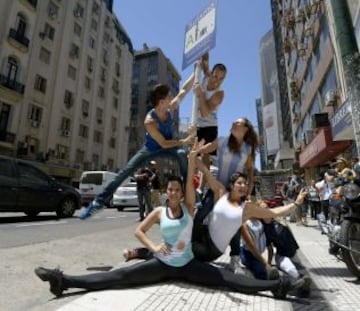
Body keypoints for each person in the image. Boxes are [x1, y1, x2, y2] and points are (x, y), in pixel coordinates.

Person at [34, 140, 294, 300]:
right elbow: (140, 229)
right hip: (161, 263)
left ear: (181, 194)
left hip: (190, 264)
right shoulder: (159, 212)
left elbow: (195, 185)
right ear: (166, 192)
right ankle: (63, 280)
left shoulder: (189, 209)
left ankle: (275, 286)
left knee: (229, 282)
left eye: (177, 190)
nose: (173, 193)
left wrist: (192, 160)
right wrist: (154, 247)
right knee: (119, 277)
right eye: (169, 190)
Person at [80, 74, 196, 219]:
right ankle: (98, 203)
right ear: (161, 102)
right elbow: (163, 143)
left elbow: (184, 90)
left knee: (181, 155)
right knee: (124, 172)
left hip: (168, 148)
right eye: (168, 97)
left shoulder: (170, 108)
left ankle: (189, 194)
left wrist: (195, 71)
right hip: (150, 149)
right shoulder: (150, 121)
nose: (171, 98)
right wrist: (185, 141)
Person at [197, 117, 259, 272]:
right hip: (216, 189)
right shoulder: (222, 141)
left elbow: (250, 170)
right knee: (200, 215)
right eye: (233, 122)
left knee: (235, 225)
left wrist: (249, 190)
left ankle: (235, 259)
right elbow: (203, 150)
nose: (233, 124)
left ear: (245, 129)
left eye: (237, 123)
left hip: (234, 194)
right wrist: (197, 146)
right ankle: (192, 248)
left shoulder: (247, 149)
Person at [193, 52, 227, 193]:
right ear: (211, 73)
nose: (216, 80)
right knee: (193, 153)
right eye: (215, 75)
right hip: (197, 123)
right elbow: (205, 59)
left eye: (221, 78)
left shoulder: (219, 94)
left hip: (209, 126)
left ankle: (202, 186)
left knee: (204, 154)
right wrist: (203, 47)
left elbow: (205, 112)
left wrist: (200, 94)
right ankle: (194, 180)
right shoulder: (206, 77)